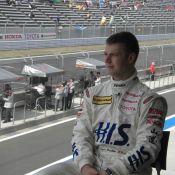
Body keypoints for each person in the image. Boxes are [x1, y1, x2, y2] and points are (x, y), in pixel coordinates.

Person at [35, 32, 168, 175]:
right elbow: (80, 134)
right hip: (92, 164)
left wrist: (112, 171)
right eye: (106, 54)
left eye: (114, 55)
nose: (107, 60)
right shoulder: (92, 94)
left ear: (130, 58)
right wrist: (85, 165)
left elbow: (148, 146)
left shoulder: (151, 101)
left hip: (127, 170)